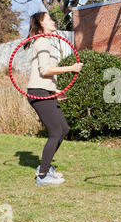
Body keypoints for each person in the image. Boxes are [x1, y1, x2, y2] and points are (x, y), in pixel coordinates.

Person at [24, 12, 83, 186]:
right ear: (41, 23)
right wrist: (71, 68)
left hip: (45, 91)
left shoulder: (45, 41)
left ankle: (46, 167)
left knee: (63, 129)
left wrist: (55, 90)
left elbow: (43, 74)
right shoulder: (42, 41)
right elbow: (45, 70)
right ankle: (42, 175)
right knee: (56, 132)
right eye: (49, 19)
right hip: (38, 92)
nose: (53, 21)